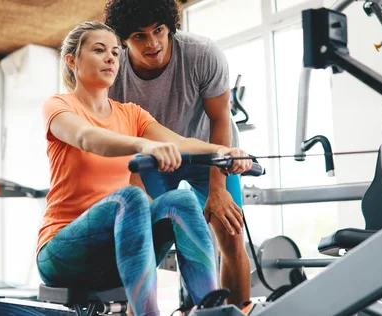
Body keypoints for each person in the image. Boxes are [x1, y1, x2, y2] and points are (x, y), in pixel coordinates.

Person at [36, 21, 252, 316]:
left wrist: (224, 152)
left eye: (114, 51)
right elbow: (88, 138)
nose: (111, 58)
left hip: (114, 255)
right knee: (131, 197)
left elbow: (182, 143)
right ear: (72, 61)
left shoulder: (131, 113)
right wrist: (142, 145)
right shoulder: (59, 105)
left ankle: (209, 308)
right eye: (99, 50)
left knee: (182, 200)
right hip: (62, 255)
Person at [104, 0, 250, 307]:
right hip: (153, 160)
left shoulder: (201, 53)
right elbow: (121, 142)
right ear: (123, 40)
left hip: (207, 150)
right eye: (139, 36)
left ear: (170, 25)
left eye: (158, 30)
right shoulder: (113, 75)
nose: (153, 43)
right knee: (140, 242)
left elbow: (220, 119)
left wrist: (217, 188)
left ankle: (235, 313)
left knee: (230, 232)